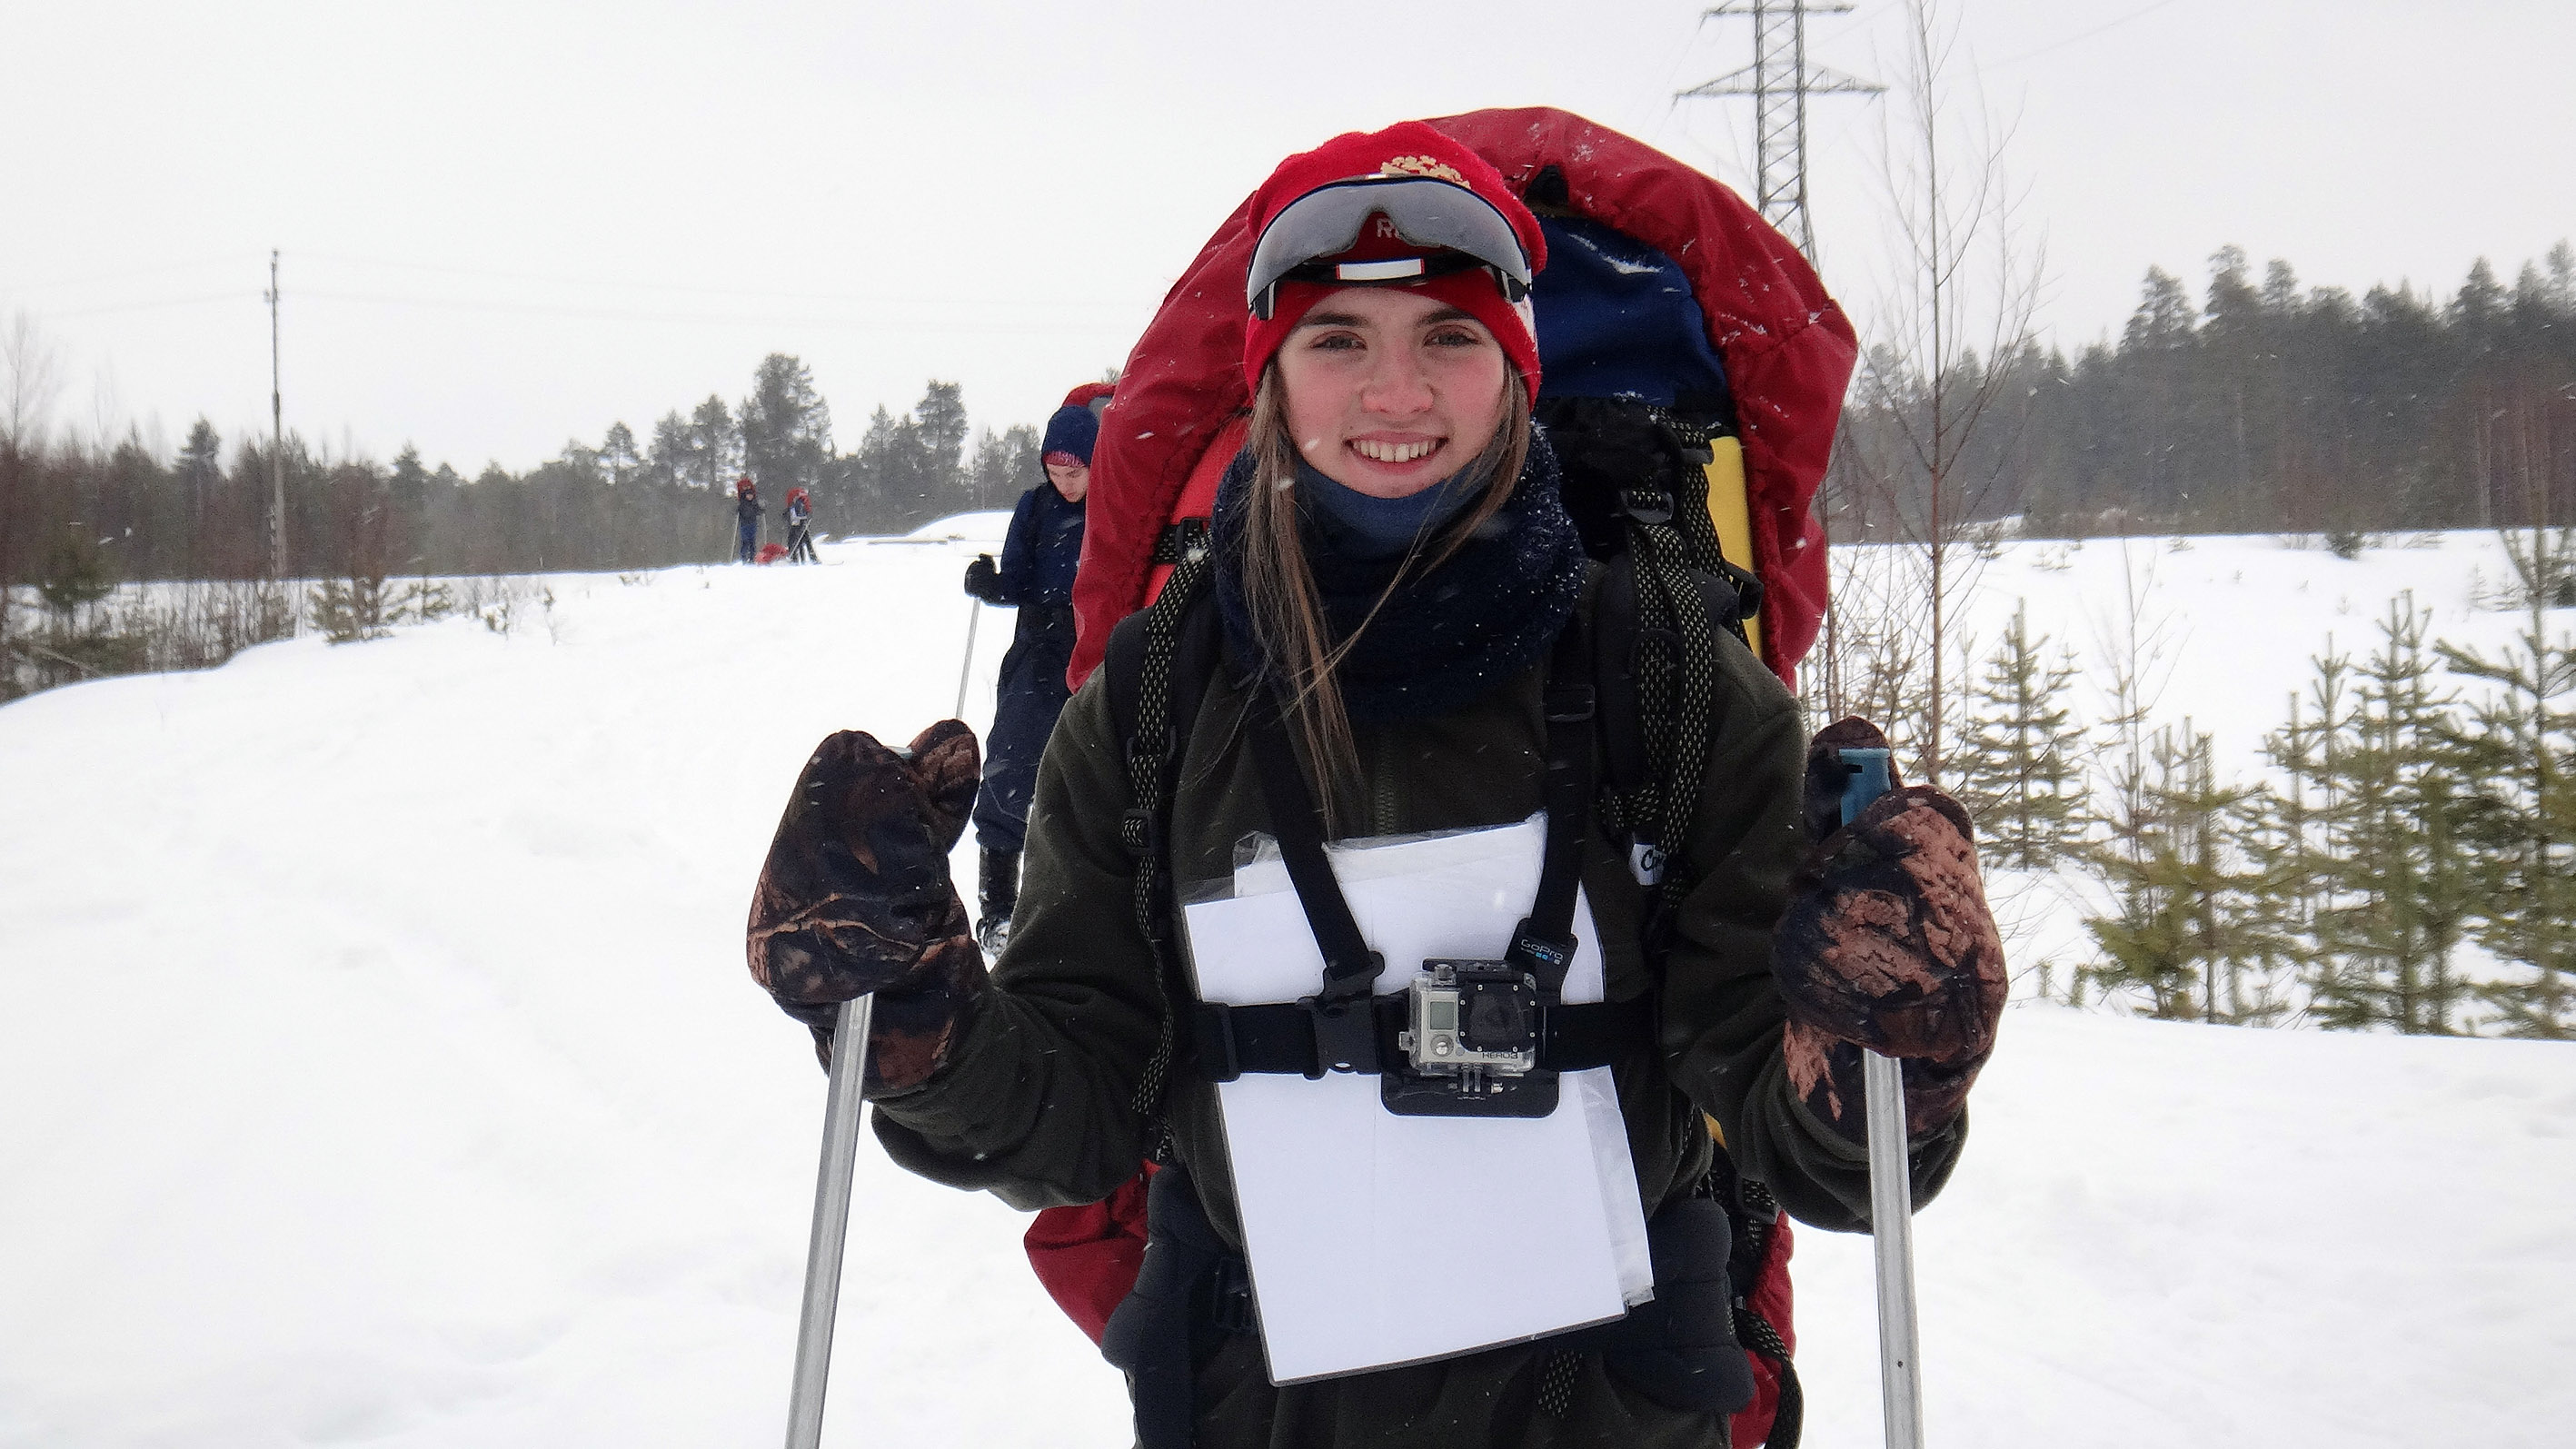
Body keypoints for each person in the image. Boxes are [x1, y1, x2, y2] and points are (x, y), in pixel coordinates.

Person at [747, 124, 2004, 1448]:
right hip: (1255, 1408)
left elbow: (1803, 1137)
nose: (1393, 392)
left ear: (1513, 371)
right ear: (1271, 379)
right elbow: (1077, 1110)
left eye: (1447, 338)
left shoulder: (1669, 683)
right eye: (1337, 338)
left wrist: (1889, 1055)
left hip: (1610, 1415)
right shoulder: (1154, 703)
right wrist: (914, 1020)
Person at [958, 384, 1108, 952]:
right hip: (1038, 650)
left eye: (1075, 471)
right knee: (1013, 765)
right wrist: (991, 584)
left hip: (1093, 646)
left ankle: (1085, 906)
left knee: (1089, 770)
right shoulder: (1036, 507)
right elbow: (1018, 579)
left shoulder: (1112, 502)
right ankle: (998, 908)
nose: (1064, 481)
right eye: (1055, 469)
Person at [783, 486, 817, 563]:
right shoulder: (800, 502)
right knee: (803, 541)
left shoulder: (796, 502)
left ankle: (796, 559)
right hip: (800, 523)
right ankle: (810, 558)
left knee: (796, 541)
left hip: (797, 523)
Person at [732, 476, 761, 564]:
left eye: (751, 495)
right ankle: (744, 557)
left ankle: (752, 557)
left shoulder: (754, 503)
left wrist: (760, 511)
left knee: (752, 541)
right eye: (748, 495)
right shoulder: (743, 503)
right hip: (745, 524)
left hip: (752, 523)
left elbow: (758, 510)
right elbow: (740, 510)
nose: (750, 497)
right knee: (745, 541)